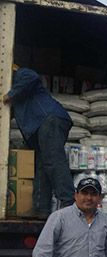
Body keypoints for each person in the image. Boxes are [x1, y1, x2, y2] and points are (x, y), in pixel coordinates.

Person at [3, 66, 74, 218]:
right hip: (42, 125)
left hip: (49, 119)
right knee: (42, 164)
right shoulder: (19, 92)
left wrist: (10, 95)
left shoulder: (21, 74)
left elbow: (33, 77)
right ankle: (41, 209)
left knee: (53, 160)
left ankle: (69, 203)